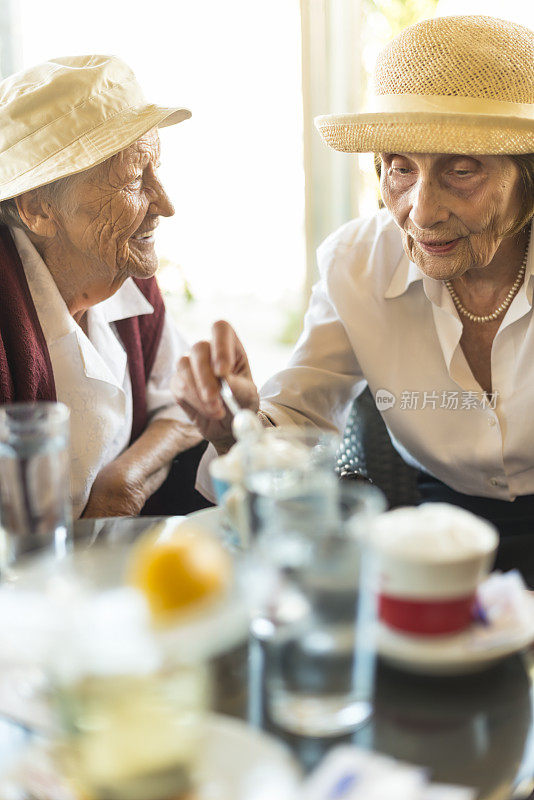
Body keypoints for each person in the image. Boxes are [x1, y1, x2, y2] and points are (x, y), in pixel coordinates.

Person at [173, 15, 534, 583]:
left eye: (461, 170)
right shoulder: (357, 265)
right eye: (399, 168)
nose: (421, 210)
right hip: (429, 540)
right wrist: (234, 424)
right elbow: (294, 421)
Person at [0, 55, 208, 519]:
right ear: (38, 209)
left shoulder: (124, 276)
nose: (166, 205)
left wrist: (124, 481)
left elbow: (183, 406)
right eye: (135, 179)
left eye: (157, 169)